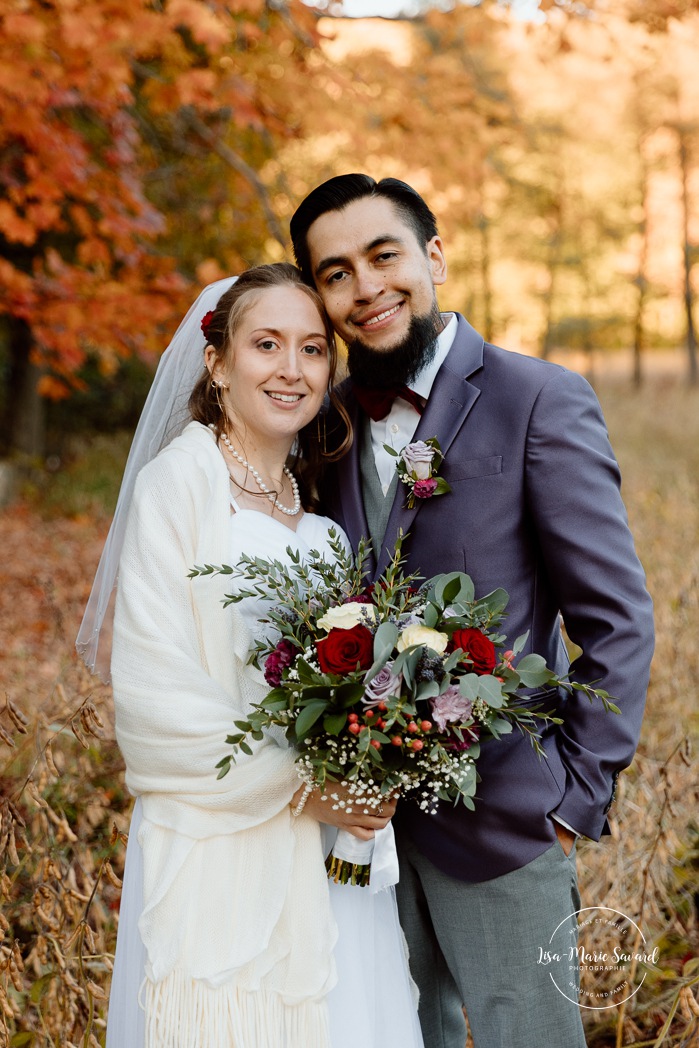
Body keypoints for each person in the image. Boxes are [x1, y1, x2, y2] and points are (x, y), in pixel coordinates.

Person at [289, 174, 655, 1048]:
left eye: (384, 256)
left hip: (504, 823)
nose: (365, 287)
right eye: (335, 273)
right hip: (359, 845)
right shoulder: (324, 425)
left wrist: (571, 797)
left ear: (434, 257)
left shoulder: (538, 397)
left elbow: (615, 618)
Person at [76, 262, 424, 1048]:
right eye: (266, 344)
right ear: (218, 362)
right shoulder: (181, 486)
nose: (291, 369)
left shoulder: (323, 522)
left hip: (332, 865)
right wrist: (307, 791)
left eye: (310, 349)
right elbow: (153, 705)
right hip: (221, 848)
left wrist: (377, 756)